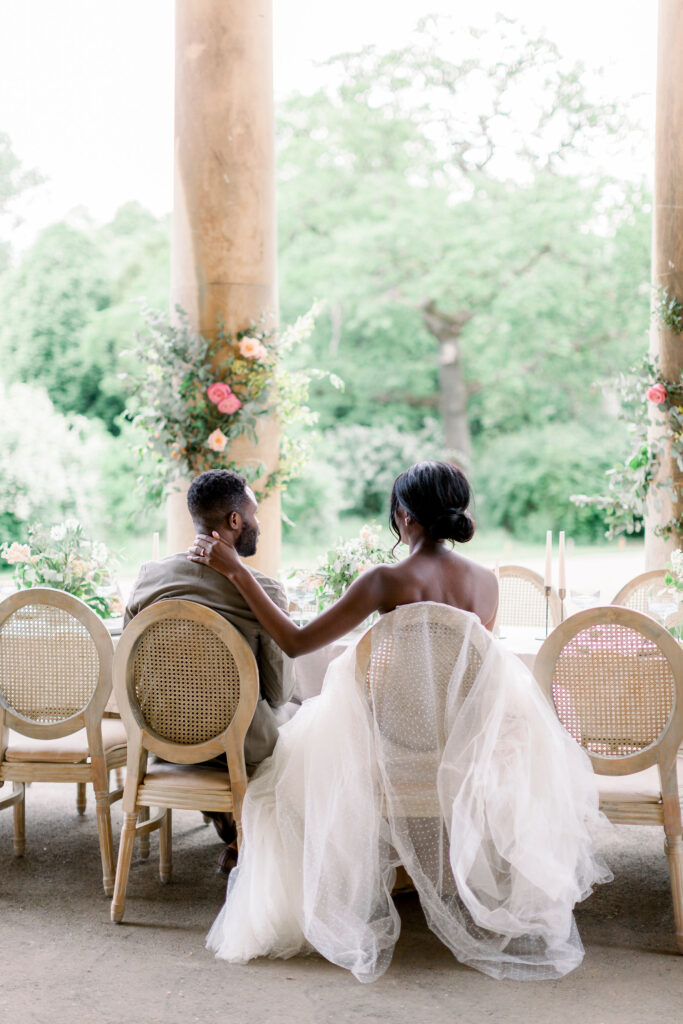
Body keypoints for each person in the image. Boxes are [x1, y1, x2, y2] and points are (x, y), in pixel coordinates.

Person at [189, 461, 609, 982]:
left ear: (404, 515)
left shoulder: (385, 580)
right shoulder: (487, 584)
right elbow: (461, 675)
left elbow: (296, 643)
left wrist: (237, 570)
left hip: (392, 744)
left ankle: (332, 900)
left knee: (276, 784)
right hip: (457, 746)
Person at [125, 469, 296, 869]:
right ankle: (249, 835)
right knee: (298, 712)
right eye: (254, 513)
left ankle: (225, 819)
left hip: (165, 741)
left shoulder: (149, 579)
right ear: (235, 521)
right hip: (236, 747)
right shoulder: (264, 591)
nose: (258, 522)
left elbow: (132, 668)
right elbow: (280, 691)